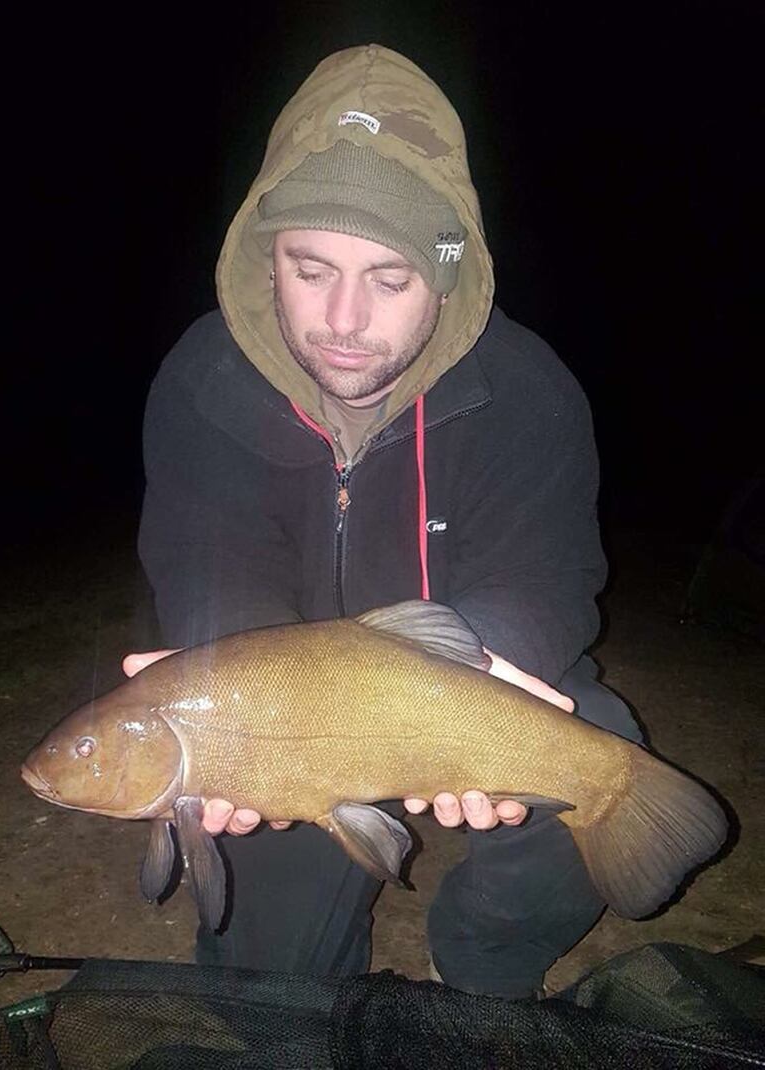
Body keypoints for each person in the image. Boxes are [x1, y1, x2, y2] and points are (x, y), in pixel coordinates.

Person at [131, 44, 642, 999]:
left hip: (459, 669)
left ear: (447, 277)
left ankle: (483, 962)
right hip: (290, 717)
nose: (345, 318)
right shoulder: (202, 380)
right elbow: (210, 573)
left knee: (598, 734)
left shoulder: (527, 391)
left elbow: (550, 576)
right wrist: (232, 728)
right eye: (311, 269)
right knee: (267, 987)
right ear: (263, 258)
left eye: (392, 278)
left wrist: (465, 689)